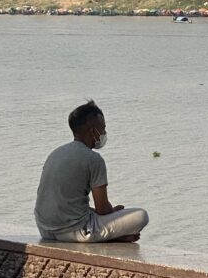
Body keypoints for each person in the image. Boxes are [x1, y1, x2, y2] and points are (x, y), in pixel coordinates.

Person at [34, 100, 149, 243]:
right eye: (103, 128)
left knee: (95, 214)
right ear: (92, 131)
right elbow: (102, 208)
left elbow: (66, 203)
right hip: (76, 231)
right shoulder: (94, 159)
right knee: (141, 215)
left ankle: (110, 235)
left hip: (45, 229)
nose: (104, 133)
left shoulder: (56, 153)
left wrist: (104, 213)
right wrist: (113, 212)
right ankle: (111, 237)